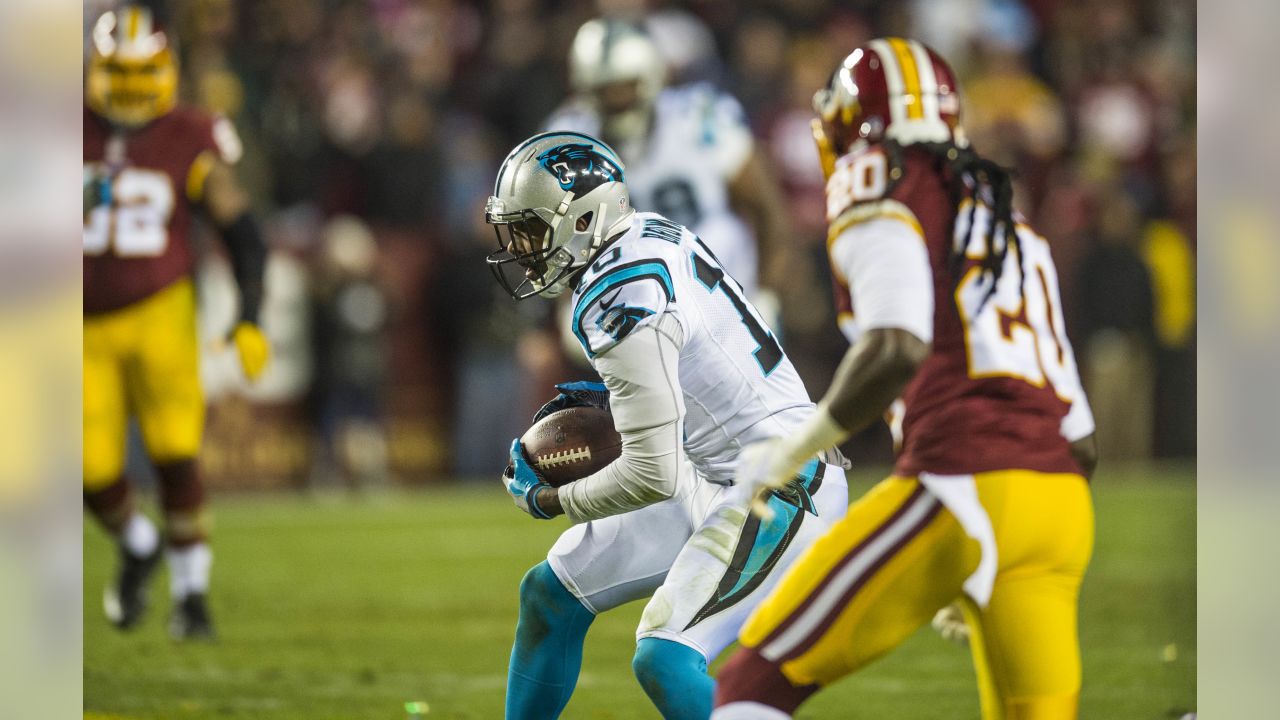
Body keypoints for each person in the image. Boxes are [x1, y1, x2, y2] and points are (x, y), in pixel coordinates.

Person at [712, 38, 1099, 719]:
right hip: (1060, 506)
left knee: (748, 688)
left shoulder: (878, 177)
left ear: (855, 117)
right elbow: (1081, 438)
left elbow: (896, 347)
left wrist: (793, 450)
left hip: (963, 485)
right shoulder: (1001, 208)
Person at [485, 131, 849, 720]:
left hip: (781, 482)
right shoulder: (638, 230)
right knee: (549, 596)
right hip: (715, 466)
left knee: (664, 656)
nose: (523, 250)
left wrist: (550, 498)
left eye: (531, 230)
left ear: (580, 220)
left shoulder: (621, 294)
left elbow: (651, 473)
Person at [83, 5, 269, 639]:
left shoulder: (190, 132)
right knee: (85, 467)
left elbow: (241, 227)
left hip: (159, 309)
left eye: (142, 74)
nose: (132, 89)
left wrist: (249, 315)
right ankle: (138, 543)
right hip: (77, 324)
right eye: (119, 74)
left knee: (175, 453)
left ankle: (192, 598)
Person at [544, 19, 789, 300]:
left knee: (723, 233)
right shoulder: (568, 142)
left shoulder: (698, 117)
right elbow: (551, 246)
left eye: (625, 86)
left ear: (651, 78)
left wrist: (768, 295)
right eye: (604, 90)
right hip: (629, 295)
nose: (616, 99)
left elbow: (767, 209)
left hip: (715, 285)